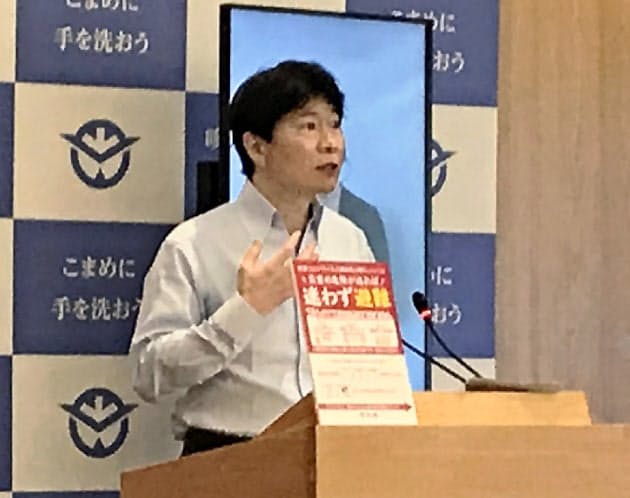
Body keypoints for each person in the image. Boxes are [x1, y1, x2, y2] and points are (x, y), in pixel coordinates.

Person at [130, 60, 375, 456]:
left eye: (334, 124)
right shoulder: (194, 243)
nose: (331, 143)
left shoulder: (349, 241)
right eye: (309, 126)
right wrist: (246, 310)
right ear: (256, 147)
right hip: (228, 456)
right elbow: (149, 373)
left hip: (334, 454)